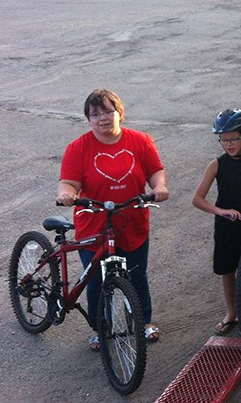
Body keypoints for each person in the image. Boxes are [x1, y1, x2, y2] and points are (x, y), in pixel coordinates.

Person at [56, 88, 169, 351]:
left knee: (136, 275)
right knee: (96, 280)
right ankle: (100, 328)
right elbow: (68, 183)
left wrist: (159, 186)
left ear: (120, 113)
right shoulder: (78, 148)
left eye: (108, 111)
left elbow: (155, 172)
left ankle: (143, 322)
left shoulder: (140, 141)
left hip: (132, 220)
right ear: (88, 119)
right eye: (95, 114)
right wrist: (67, 194)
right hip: (93, 222)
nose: (102, 118)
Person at [192, 109, 241, 335]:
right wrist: (221, 211)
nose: (228, 144)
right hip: (226, 226)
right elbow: (197, 199)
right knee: (228, 270)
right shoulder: (216, 165)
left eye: (233, 139)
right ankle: (232, 313)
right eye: (224, 139)